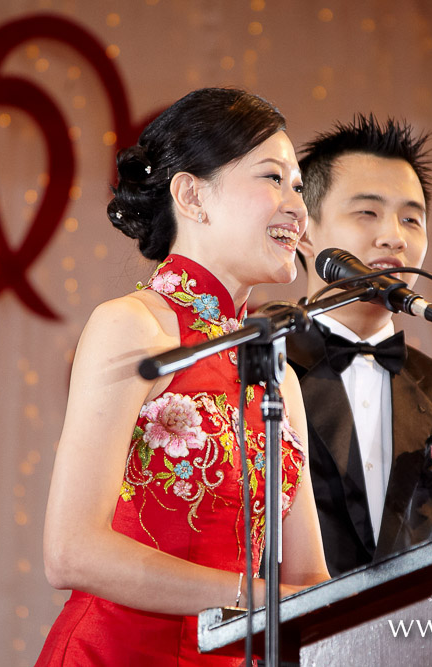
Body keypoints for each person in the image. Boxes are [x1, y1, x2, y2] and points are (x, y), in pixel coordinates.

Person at [36, 88, 330, 666]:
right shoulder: (132, 327)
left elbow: (307, 577)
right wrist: (254, 598)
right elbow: (70, 552)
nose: (298, 207)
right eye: (273, 179)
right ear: (192, 195)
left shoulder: (278, 375)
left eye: (299, 187)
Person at [287, 115, 432, 577]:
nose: (394, 236)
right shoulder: (259, 361)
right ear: (305, 231)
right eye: (367, 213)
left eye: (411, 219)